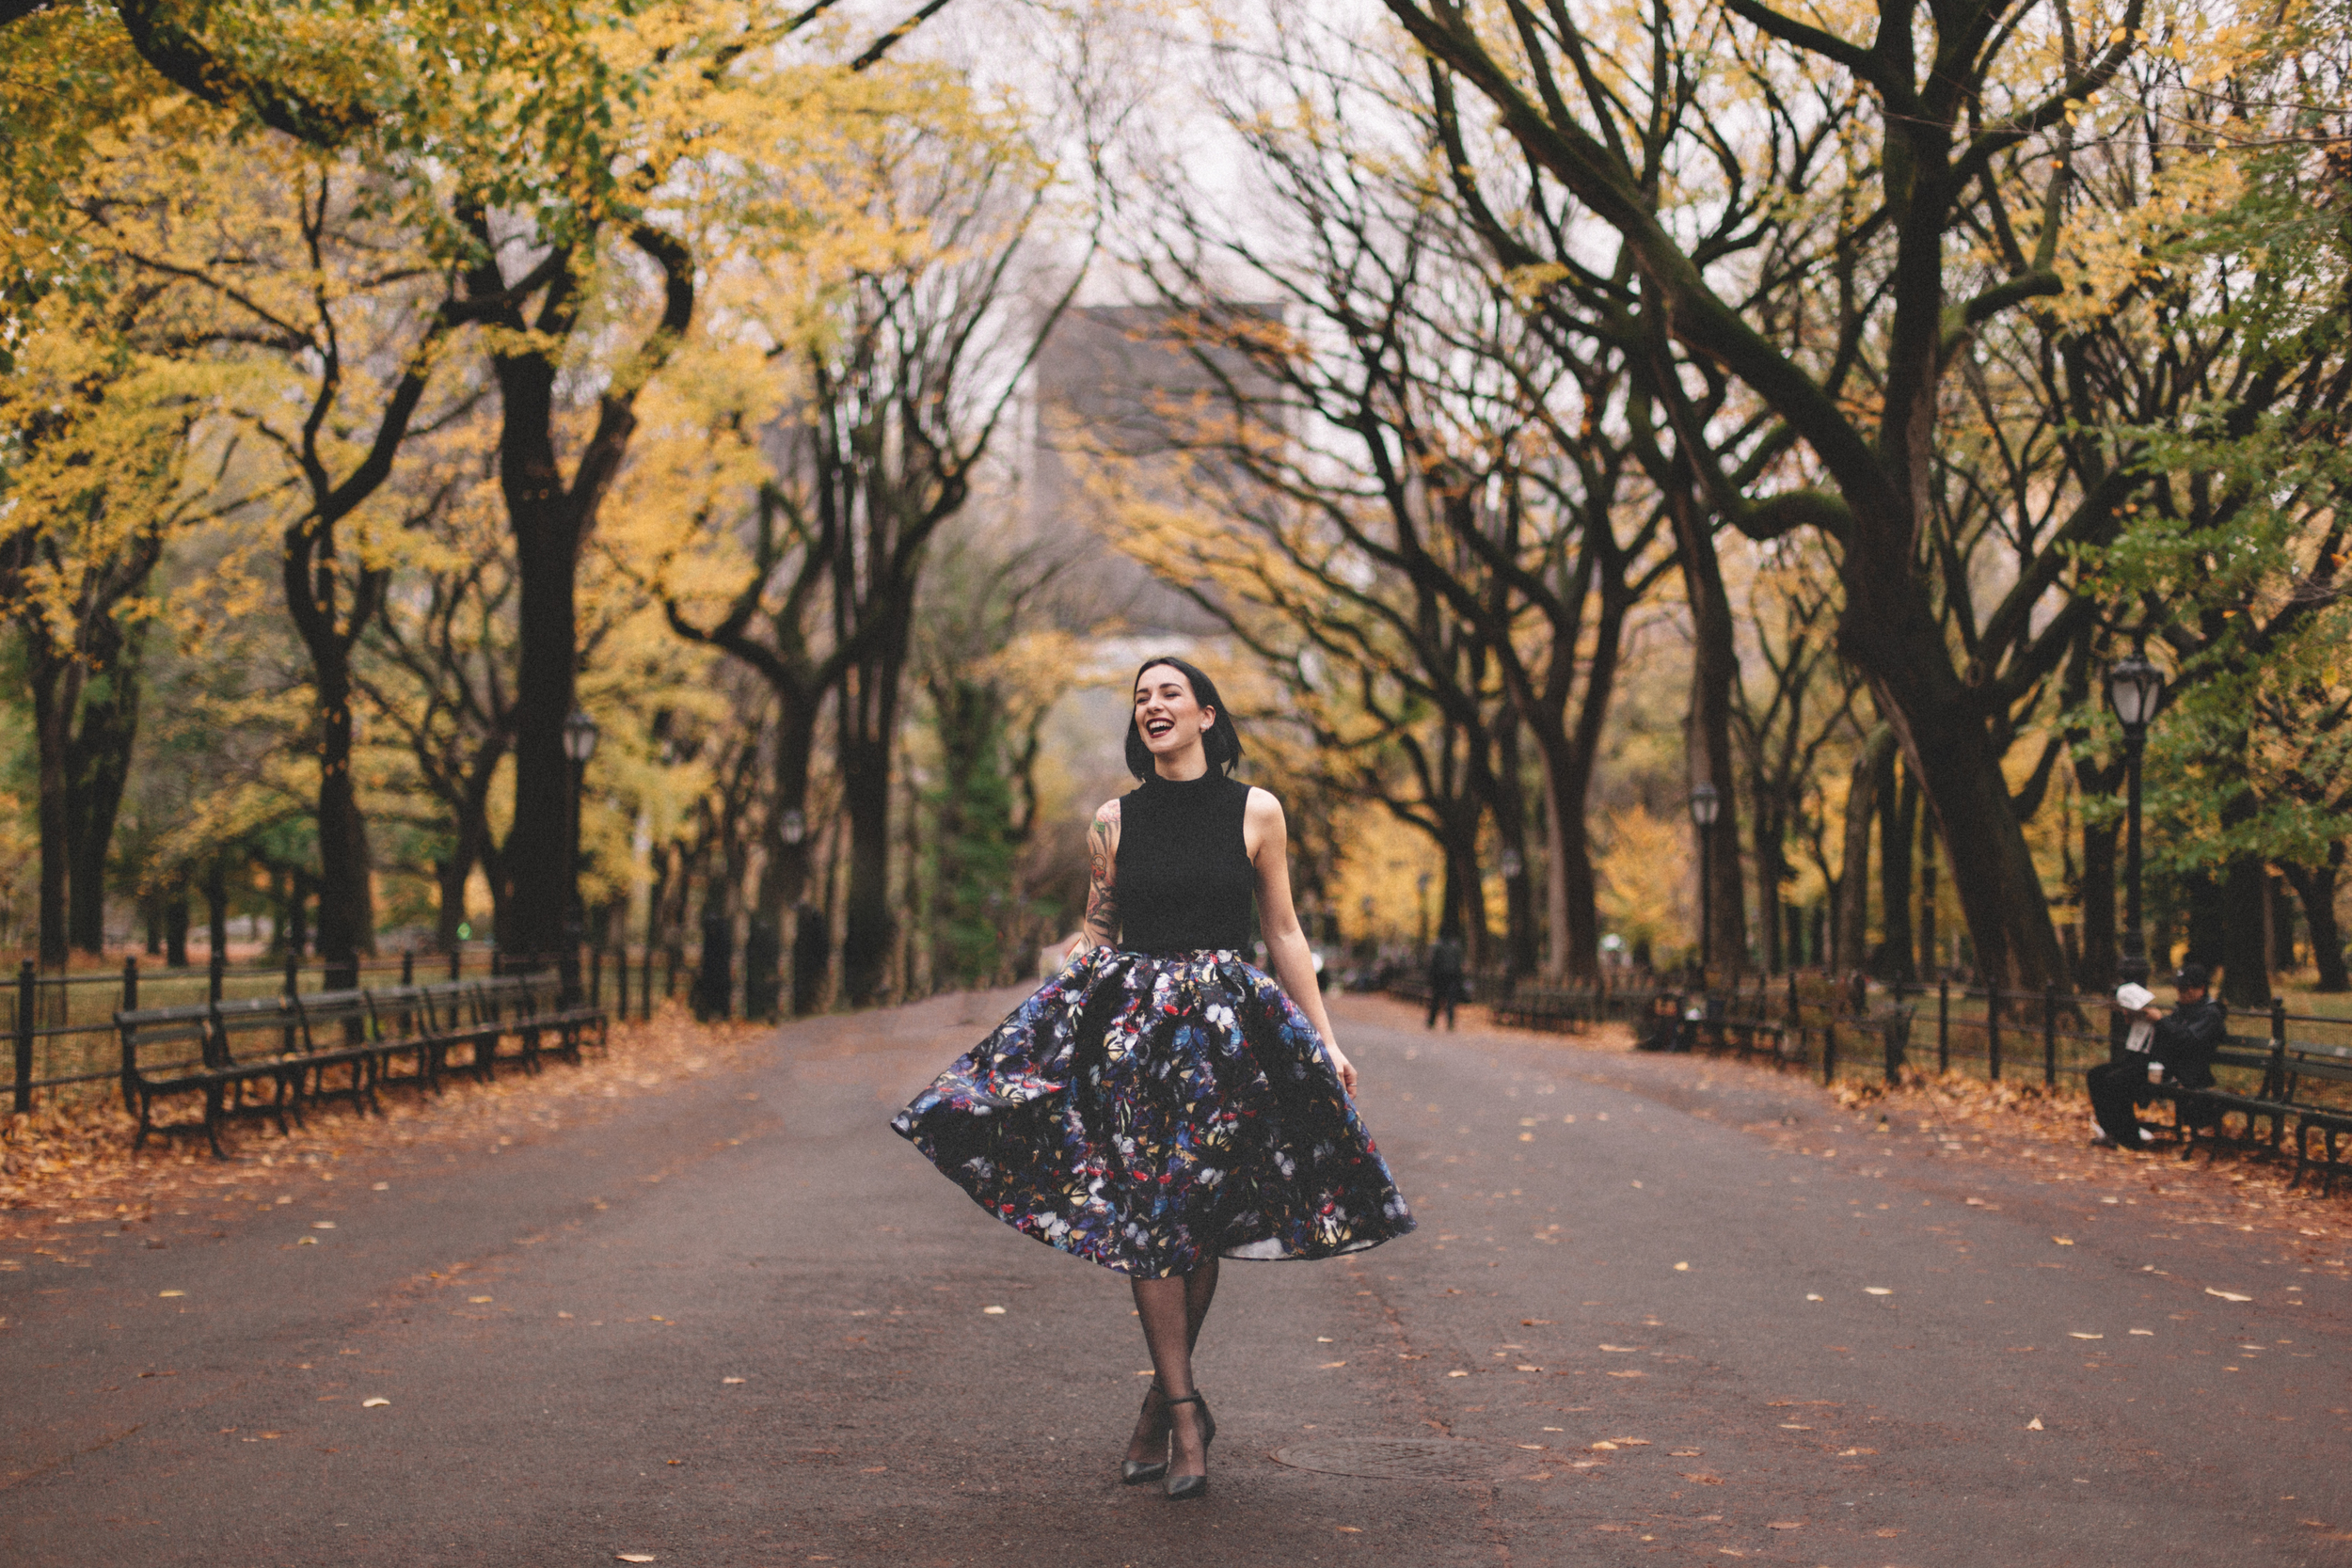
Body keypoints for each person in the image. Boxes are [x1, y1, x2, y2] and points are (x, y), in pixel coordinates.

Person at [892, 656, 1414, 1502]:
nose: (1152, 705)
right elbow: (1095, 933)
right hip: (1134, 1041)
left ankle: (1160, 1408)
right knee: (1150, 1218)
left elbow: (1282, 931)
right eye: (1141, 696)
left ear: (1207, 713)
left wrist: (1325, 1039)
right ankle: (1182, 1415)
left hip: (1225, 1040)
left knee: (1193, 1222)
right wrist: (1035, 1022)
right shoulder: (1113, 821)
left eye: (1170, 692)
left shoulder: (1257, 810)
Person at [2088, 963, 2227, 1147]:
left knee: (2117, 1080)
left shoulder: (2211, 1015)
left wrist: (2161, 1021)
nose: (2179, 992)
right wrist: (2137, 1019)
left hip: (2182, 1073)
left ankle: (2130, 1139)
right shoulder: (2183, 1010)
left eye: (2184, 988)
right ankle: (2111, 1131)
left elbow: (2187, 1040)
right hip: (2158, 1065)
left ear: (2201, 989)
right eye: (2178, 987)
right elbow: (2167, 1032)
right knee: (2096, 1075)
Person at [1425, 935, 1465, 1029]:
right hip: (1452, 977)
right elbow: (1459, 965)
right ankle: (1450, 1022)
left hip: (1439, 977)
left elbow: (1433, 962)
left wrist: (1431, 977)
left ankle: (1432, 1021)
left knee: (1436, 999)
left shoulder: (1438, 947)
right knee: (1450, 1000)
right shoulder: (1455, 948)